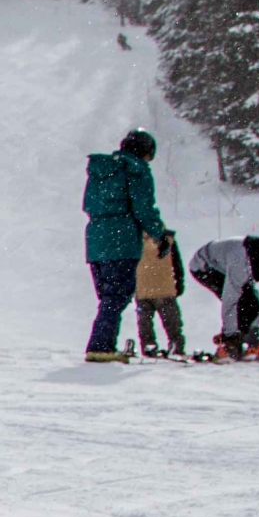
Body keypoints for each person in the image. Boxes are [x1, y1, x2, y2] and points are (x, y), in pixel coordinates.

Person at [81, 128, 171, 362]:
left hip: (96, 240)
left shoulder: (101, 170)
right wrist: (159, 234)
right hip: (121, 239)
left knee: (108, 296)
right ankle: (100, 347)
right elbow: (143, 209)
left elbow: (89, 204)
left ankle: (103, 343)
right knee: (117, 295)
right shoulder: (135, 169)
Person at [187, 235, 259, 359]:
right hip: (204, 266)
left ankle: (251, 338)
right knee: (245, 303)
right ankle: (232, 343)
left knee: (249, 302)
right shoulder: (241, 263)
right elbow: (231, 300)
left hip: (228, 261)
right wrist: (231, 336)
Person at [134, 231, 185, 357]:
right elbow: (177, 264)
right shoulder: (168, 239)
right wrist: (179, 282)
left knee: (144, 323)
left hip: (142, 289)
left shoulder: (134, 238)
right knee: (173, 322)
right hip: (165, 288)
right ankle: (176, 346)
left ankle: (148, 346)